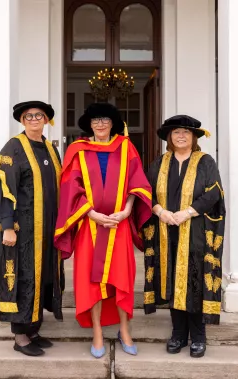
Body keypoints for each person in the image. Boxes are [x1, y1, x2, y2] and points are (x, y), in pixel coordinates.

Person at [54, 103, 152, 358]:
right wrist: (92, 213)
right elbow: (70, 188)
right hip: (90, 225)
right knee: (91, 280)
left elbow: (137, 181)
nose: (100, 124)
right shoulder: (78, 150)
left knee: (121, 277)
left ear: (112, 123)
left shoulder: (126, 147)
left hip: (118, 226)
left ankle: (124, 329)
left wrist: (128, 210)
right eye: (95, 120)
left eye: (105, 119)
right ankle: (97, 331)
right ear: (89, 124)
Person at [143, 115, 225, 358]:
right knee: (171, 281)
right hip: (167, 231)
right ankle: (178, 334)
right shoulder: (159, 163)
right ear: (169, 137)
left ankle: (198, 336)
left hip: (196, 231)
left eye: (186, 133)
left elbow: (214, 192)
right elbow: (146, 192)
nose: (181, 136)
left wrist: (187, 213)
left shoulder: (205, 162)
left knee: (194, 282)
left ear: (194, 137)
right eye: (176, 132)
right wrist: (160, 211)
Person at [0, 100, 64, 357]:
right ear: (22, 121)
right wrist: (7, 228)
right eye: (28, 116)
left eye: (39, 115)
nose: (34, 119)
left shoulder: (49, 148)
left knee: (43, 277)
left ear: (46, 120)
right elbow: (5, 190)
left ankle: (34, 329)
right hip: (22, 230)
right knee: (23, 278)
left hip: (46, 229)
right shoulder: (13, 147)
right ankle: (20, 335)